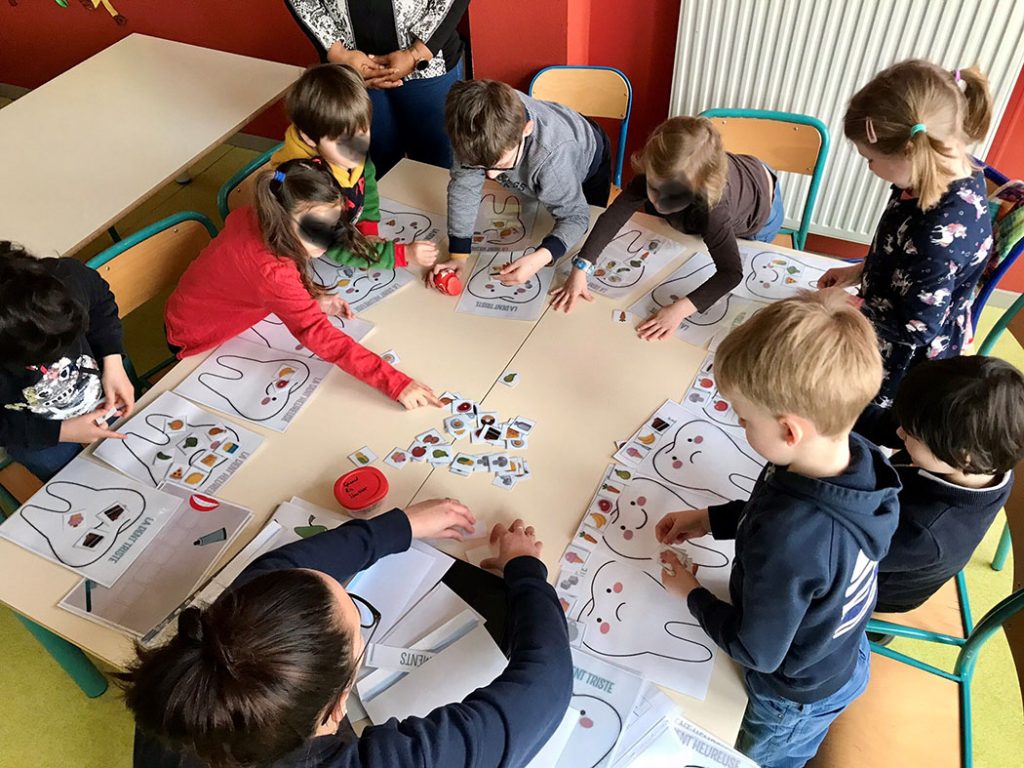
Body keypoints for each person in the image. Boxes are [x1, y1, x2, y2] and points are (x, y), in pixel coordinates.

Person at [121, 499, 574, 768]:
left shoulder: (188, 683)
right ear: (338, 706)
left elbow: (272, 573)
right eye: (358, 625)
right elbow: (545, 686)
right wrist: (527, 572)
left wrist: (397, 527)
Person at [656, 290, 900, 767]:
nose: (741, 426)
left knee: (756, 758)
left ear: (790, 432)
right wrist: (709, 519)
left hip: (790, 695)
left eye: (745, 419)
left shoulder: (794, 540)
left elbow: (757, 652)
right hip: (838, 651)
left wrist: (690, 593)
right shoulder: (852, 458)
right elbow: (774, 503)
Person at [165, 158, 440, 410]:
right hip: (196, 337)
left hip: (219, 307)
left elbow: (263, 278)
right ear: (282, 220)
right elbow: (316, 332)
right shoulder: (270, 272)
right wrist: (396, 383)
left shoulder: (263, 215)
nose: (328, 239)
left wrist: (310, 296)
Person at [819, 60, 994, 406]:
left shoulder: (940, 235)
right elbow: (899, 253)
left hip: (904, 360)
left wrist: (847, 307)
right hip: (887, 308)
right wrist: (858, 272)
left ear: (910, 152)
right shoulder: (925, 175)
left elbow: (917, 327)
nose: (868, 168)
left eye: (869, 159)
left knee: (856, 414)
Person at [550, 116, 783, 342]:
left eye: (673, 197)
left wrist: (680, 309)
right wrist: (582, 267)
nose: (659, 203)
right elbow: (614, 215)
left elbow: (731, 273)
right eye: (654, 188)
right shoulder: (662, 173)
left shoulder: (715, 208)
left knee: (743, 254)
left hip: (761, 205)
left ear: (699, 190)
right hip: (729, 177)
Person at [859, 356, 1024, 616]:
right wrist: (834, 410)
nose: (900, 433)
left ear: (962, 456)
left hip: (882, 587)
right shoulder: (979, 448)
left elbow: (847, 554)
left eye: (910, 433)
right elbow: (887, 426)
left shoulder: (927, 530)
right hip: (893, 531)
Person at [428, 79, 613, 290]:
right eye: (479, 167)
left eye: (501, 164)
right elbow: (464, 187)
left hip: (587, 159)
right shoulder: (473, 131)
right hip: (546, 163)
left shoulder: (552, 156)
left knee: (582, 239)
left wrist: (541, 257)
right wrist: (458, 255)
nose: (491, 175)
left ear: (526, 130)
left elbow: (576, 216)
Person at [271, 62, 438, 270]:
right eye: (341, 141)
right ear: (309, 138)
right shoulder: (307, 185)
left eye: (362, 134)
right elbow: (337, 247)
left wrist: (368, 230)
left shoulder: (348, 149)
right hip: (308, 266)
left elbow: (365, 185)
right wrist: (401, 255)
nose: (355, 149)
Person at [284, 0, 469, 177]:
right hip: (350, 68)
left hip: (429, 64)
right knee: (368, 167)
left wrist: (417, 53)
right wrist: (338, 53)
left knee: (440, 164)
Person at [0, 242, 134, 480]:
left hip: (102, 397)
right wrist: (61, 432)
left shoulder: (64, 280)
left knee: (135, 453)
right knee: (80, 483)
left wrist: (112, 361)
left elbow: (100, 304)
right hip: (36, 434)